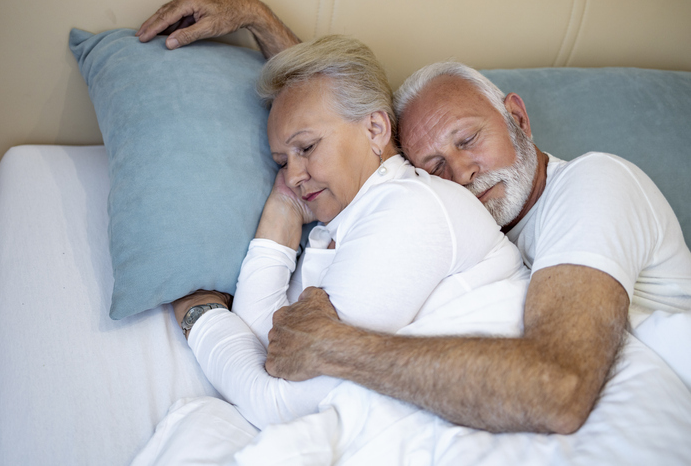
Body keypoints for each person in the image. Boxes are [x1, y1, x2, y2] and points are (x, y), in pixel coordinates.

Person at [137, 0, 691, 434]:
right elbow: (345, 125)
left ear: (518, 118)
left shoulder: (593, 186)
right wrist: (258, 19)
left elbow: (559, 391)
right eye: (434, 163)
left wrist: (340, 348)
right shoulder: (448, 207)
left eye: (469, 138)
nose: (461, 172)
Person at [164, 34, 528, 431]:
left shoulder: (412, 208)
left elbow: (278, 403)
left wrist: (201, 315)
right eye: (281, 162)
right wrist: (280, 218)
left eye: (306, 147)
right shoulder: (346, 221)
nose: (293, 177)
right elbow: (266, 345)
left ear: (374, 128)